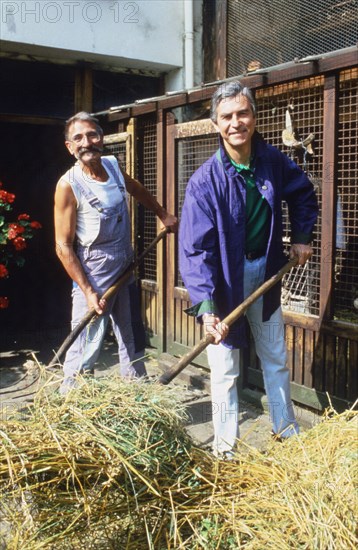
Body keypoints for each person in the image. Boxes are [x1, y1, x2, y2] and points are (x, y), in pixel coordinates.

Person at [179, 82, 318, 457]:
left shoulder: (272, 161)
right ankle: (225, 447)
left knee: (275, 356)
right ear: (215, 123)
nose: (236, 122)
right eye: (227, 116)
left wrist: (302, 237)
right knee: (225, 368)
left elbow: (303, 192)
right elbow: (195, 251)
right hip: (224, 284)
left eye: (243, 113)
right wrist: (206, 309)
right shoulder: (204, 183)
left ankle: (285, 429)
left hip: (266, 274)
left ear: (254, 118)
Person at [55, 112, 177, 394]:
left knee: (131, 332)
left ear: (102, 138)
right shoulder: (68, 186)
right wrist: (86, 291)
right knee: (87, 341)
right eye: (78, 138)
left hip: (125, 263)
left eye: (92, 135)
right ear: (69, 147)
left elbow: (132, 187)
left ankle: (137, 395)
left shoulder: (111, 164)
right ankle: (70, 402)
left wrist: (162, 213)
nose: (87, 142)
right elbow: (62, 246)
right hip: (93, 274)